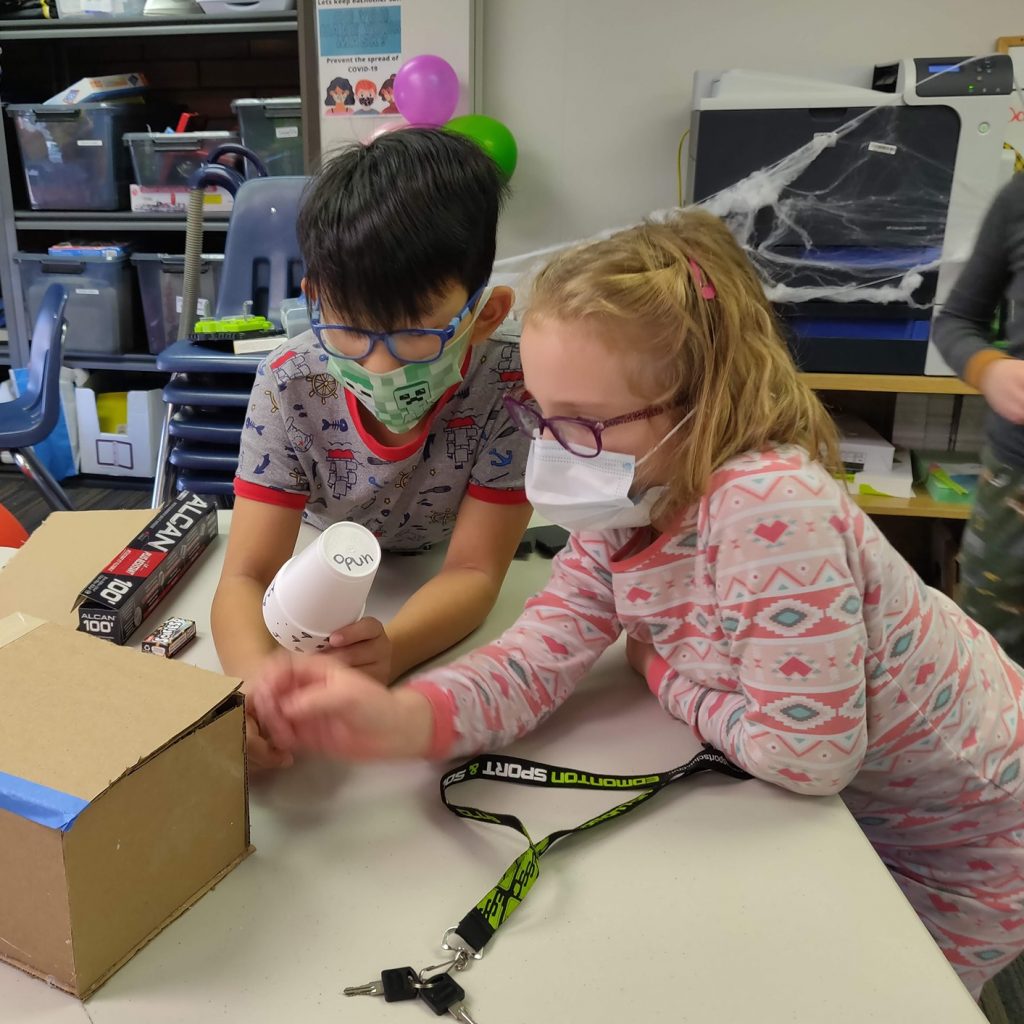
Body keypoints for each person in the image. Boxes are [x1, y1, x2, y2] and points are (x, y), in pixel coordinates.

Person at [249, 208, 1024, 999]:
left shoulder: (768, 505)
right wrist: (402, 720)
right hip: (868, 817)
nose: (551, 453)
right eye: (542, 418)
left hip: (970, 842)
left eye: (583, 424)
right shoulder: (629, 506)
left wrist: (665, 678)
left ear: (700, 402)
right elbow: (536, 654)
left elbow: (810, 757)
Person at [213, 128, 532, 766]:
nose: (379, 364)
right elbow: (246, 574)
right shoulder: (290, 382)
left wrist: (393, 650)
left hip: (433, 565)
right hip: (314, 564)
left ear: (485, 314)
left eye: (415, 334)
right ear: (313, 301)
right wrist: (254, 684)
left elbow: (474, 571)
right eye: (350, 329)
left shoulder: (513, 386)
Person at [932, 173, 1024, 665]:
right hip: (1016, 483)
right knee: (993, 656)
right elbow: (955, 321)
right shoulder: (1017, 198)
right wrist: (991, 370)